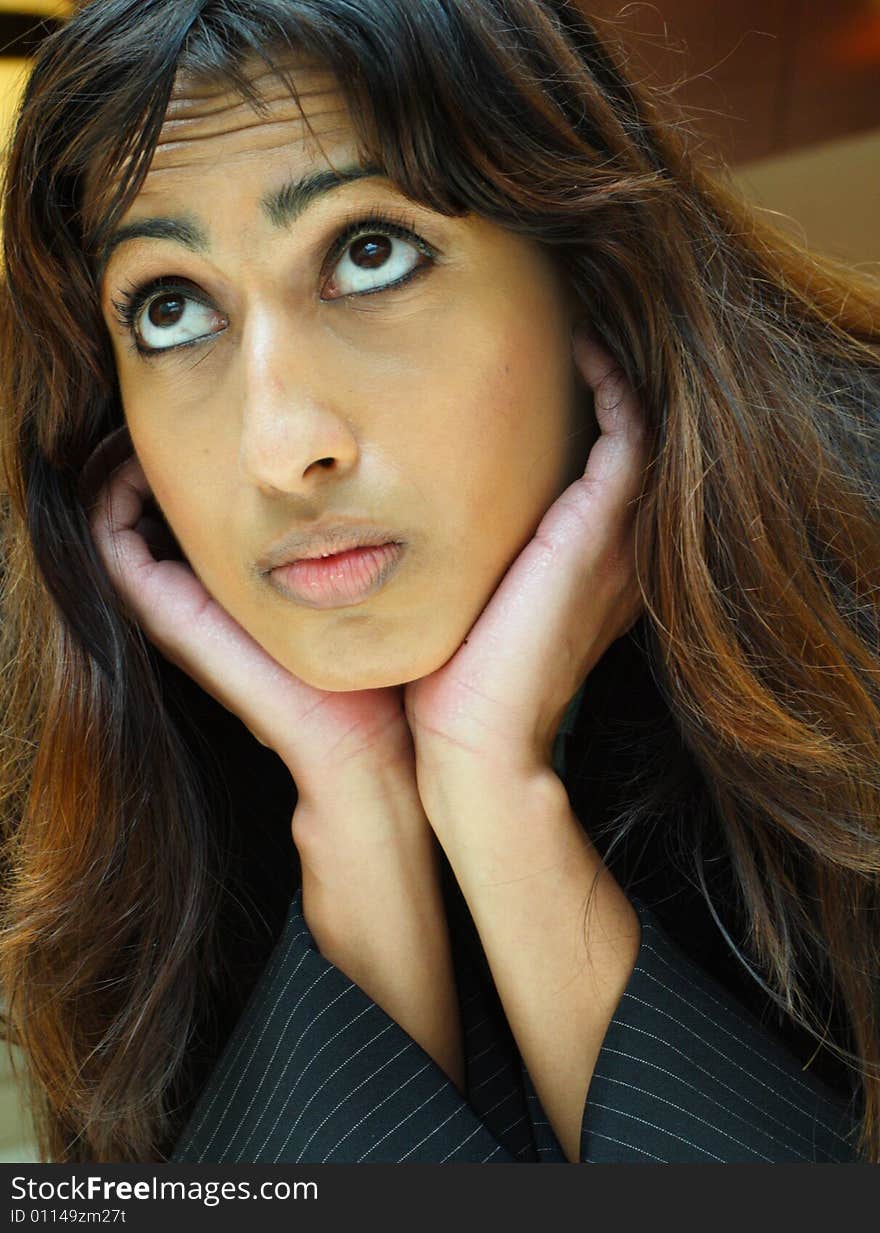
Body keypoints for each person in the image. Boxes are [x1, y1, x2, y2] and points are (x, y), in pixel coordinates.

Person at [0, 0, 876, 1166]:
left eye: (371, 253)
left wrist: (501, 813)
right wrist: (355, 813)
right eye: (170, 306)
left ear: (589, 280)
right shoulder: (119, 777)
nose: (280, 445)